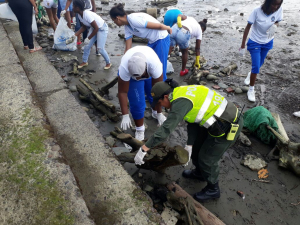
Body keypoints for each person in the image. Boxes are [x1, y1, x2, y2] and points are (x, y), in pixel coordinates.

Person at [134, 79, 244, 202]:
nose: (161, 106)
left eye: (160, 102)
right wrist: (190, 144)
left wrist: (144, 149)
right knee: (196, 149)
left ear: (166, 96)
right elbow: (192, 120)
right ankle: (200, 173)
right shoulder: (179, 92)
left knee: (207, 159)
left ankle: (214, 189)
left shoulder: (180, 103)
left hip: (228, 124)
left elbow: (166, 130)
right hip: (213, 121)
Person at [109, 3, 171, 81]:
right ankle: (151, 87)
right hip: (152, 41)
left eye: (113, 20)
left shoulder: (134, 19)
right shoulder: (127, 27)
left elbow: (158, 25)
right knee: (147, 65)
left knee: (160, 67)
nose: (114, 23)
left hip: (161, 38)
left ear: (117, 18)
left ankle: (163, 89)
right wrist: (124, 64)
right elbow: (128, 49)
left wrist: (168, 28)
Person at [118, 46, 166, 141]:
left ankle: (155, 113)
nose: (138, 78)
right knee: (137, 104)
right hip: (132, 78)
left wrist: (160, 113)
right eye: (136, 76)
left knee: (152, 94)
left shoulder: (155, 65)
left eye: (140, 76)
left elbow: (158, 92)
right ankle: (140, 129)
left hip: (149, 73)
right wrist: (125, 114)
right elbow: (122, 92)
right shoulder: (124, 68)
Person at [240, 0, 283, 102]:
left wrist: (275, 26)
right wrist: (242, 45)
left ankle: (250, 74)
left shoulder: (279, 9)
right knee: (256, 66)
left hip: (268, 41)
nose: (275, 7)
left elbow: (277, 21)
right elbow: (247, 28)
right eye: (273, 4)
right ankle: (251, 89)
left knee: (261, 62)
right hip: (255, 41)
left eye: (278, 4)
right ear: (268, 2)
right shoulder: (257, 11)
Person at [72, 0, 111, 69]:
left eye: (73, 6)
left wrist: (88, 38)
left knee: (100, 49)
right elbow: (83, 27)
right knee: (87, 46)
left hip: (102, 28)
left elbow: (97, 28)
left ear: (77, 8)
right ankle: (84, 61)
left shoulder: (87, 14)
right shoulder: (79, 15)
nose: (72, 8)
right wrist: (74, 35)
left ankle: (108, 63)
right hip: (94, 28)